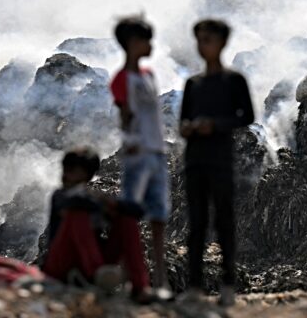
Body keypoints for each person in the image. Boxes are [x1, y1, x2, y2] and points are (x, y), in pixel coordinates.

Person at [179, 19, 255, 307]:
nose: (203, 45)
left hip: (221, 159)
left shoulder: (234, 81)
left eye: (208, 39)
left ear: (222, 43)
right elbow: (182, 122)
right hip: (195, 160)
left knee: (224, 221)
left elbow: (246, 116)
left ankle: (227, 284)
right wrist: (189, 128)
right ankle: (195, 286)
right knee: (196, 223)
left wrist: (215, 125)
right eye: (199, 40)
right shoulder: (192, 84)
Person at [42, 147, 153, 302]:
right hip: (62, 263)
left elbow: (137, 211)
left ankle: (140, 286)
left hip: (94, 261)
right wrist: (101, 203)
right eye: (66, 168)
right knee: (77, 214)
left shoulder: (93, 198)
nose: (66, 173)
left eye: (73, 169)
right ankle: (97, 273)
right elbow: (74, 203)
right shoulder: (60, 196)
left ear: (86, 174)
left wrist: (113, 205)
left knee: (126, 220)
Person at [110, 16, 171, 296]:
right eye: (146, 40)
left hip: (156, 151)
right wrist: (130, 141)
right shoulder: (123, 79)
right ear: (133, 43)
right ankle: (131, 276)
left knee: (158, 214)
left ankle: (159, 278)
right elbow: (124, 115)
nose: (150, 45)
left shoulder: (148, 76)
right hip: (138, 153)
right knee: (131, 214)